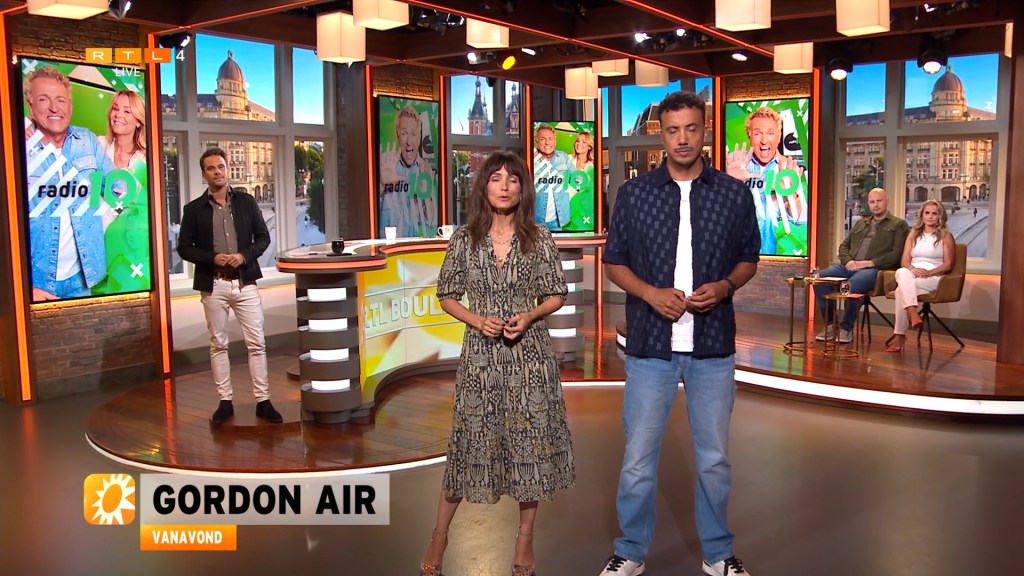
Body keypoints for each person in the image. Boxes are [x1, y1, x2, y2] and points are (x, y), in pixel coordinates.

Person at [599, 91, 760, 576]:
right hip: (651, 346)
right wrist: (650, 294)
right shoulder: (635, 194)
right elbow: (614, 262)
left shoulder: (733, 194)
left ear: (704, 131)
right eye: (673, 130)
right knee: (637, 460)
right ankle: (630, 551)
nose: (683, 138)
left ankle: (717, 554)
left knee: (714, 461)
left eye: (691, 128)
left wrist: (726, 285)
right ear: (662, 135)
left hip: (712, 346)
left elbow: (749, 258)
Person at [420, 152, 574, 576]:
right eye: (496, 178)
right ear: (483, 187)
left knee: (529, 447)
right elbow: (447, 294)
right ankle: (439, 536)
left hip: (529, 359)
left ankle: (524, 539)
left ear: (523, 189)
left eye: (513, 179)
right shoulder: (464, 239)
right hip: (480, 360)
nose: (504, 186)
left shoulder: (539, 238)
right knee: (469, 444)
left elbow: (556, 293)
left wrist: (530, 315)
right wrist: (477, 319)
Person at [176, 148, 282, 425]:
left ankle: (263, 401)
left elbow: (263, 238)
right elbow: (184, 248)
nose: (218, 172)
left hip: (245, 283)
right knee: (218, 345)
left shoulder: (246, 202)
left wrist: (244, 256)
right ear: (204, 174)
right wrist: (212, 258)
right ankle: (225, 402)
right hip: (214, 285)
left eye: (221, 166)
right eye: (211, 168)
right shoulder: (193, 210)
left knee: (257, 343)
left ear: (227, 169)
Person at [24, 65, 115, 301]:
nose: (54, 108)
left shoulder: (87, 140)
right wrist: (23, 285)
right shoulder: (17, 147)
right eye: (43, 99)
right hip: (36, 282)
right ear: (30, 106)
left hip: (82, 277)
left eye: (61, 100)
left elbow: (117, 187)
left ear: (70, 107)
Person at [812, 187, 909, 344]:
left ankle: (846, 328)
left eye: (879, 201)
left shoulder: (899, 224)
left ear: (887, 201)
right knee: (819, 279)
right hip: (849, 266)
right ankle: (831, 325)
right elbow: (844, 246)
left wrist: (868, 263)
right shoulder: (860, 223)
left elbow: (896, 254)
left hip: (874, 269)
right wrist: (848, 261)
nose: (875, 205)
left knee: (852, 285)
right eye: (872, 202)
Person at [725, 106, 807, 256]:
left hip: (770, 255)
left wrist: (791, 194)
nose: (764, 140)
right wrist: (730, 183)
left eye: (770, 133)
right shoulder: (733, 162)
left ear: (779, 136)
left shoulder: (788, 168)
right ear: (749, 136)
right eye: (757, 133)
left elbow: (799, 218)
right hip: (734, 255)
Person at [886, 199, 956, 353]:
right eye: (927, 213)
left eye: (934, 214)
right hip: (912, 274)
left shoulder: (946, 236)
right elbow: (904, 261)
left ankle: (900, 335)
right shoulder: (913, 235)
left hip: (934, 277)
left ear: (940, 217)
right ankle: (912, 313)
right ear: (922, 215)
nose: (930, 217)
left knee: (901, 291)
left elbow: (948, 264)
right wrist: (913, 269)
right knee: (901, 272)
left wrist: (929, 272)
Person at [380, 104, 437, 237]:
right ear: (397, 134)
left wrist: (426, 196)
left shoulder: (425, 171)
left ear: (419, 136)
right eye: (404, 133)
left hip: (414, 246)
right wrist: (382, 185)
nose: (409, 141)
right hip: (386, 246)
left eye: (413, 134)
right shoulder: (386, 164)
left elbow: (433, 222)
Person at [533, 124, 573, 231]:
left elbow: (577, 179)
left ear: (555, 141)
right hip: (536, 220)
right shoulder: (531, 159)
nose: (547, 142)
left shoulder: (563, 157)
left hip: (559, 221)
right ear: (537, 141)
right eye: (543, 139)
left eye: (550, 139)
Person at [97, 90, 146, 171]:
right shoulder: (99, 144)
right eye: (115, 108)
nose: (118, 115)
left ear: (138, 121)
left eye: (127, 111)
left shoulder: (144, 161)